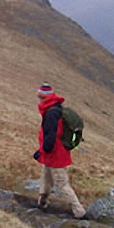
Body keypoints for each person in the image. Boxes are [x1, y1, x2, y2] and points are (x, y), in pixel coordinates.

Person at [34, 83, 87, 219]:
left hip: (55, 154)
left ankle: (79, 211)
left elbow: (51, 137)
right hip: (56, 152)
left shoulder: (51, 113)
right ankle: (42, 201)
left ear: (44, 97)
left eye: (40, 97)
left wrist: (43, 150)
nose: (39, 99)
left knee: (61, 183)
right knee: (46, 175)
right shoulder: (55, 108)